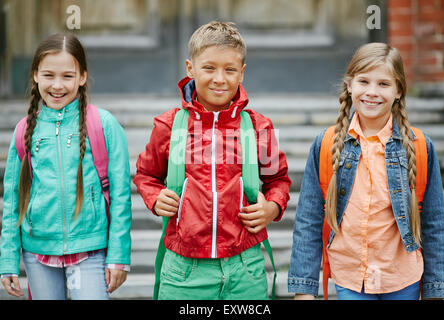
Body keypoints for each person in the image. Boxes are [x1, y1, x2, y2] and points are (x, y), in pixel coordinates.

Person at [134, 21, 291, 300]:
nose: (219, 78)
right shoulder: (169, 126)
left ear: (241, 73)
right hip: (184, 270)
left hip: (245, 268)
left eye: (230, 70)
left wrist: (273, 206)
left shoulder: (260, 128)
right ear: (190, 68)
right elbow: (146, 175)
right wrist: (155, 197)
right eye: (209, 68)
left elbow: (277, 179)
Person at [288, 42, 444, 300]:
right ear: (349, 85)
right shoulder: (327, 144)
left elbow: (434, 225)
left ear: (399, 91)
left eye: (384, 84)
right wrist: (303, 289)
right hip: (350, 280)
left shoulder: (419, 147)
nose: (372, 92)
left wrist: (435, 291)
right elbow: (308, 221)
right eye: (364, 82)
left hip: (403, 279)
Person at [0, 34, 132, 300]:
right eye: (48, 75)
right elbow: (13, 202)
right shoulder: (24, 131)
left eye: (67, 76)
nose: (57, 85)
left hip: (90, 249)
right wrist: (8, 260)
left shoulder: (103, 125)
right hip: (38, 252)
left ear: (82, 77)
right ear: (35, 75)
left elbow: (121, 196)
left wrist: (118, 255)